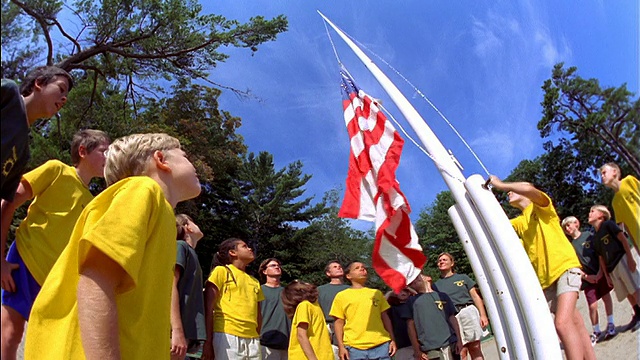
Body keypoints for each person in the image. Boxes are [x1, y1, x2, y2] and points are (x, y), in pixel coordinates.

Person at [23, 133, 202, 359]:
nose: (193, 163)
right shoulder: (143, 191)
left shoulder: (163, 216)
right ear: (161, 159)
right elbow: (96, 280)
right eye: (185, 156)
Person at [1, 129, 109, 360]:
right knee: (9, 336)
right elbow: (8, 200)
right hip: (24, 263)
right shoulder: (56, 169)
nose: (108, 157)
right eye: (103, 150)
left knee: (45, 348)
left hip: (54, 284)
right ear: (82, 151)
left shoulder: (94, 204)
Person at [489, 176, 595, 360]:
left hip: (565, 268)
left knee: (562, 324)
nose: (509, 193)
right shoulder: (521, 222)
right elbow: (495, 224)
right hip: (547, 281)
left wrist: (501, 185)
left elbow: (530, 191)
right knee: (575, 323)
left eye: (515, 188)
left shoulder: (542, 207)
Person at [1, 66, 74, 202]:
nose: (64, 99)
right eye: (61, 89)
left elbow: (5, 197)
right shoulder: (8, 93)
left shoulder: (23, 153)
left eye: (66, 96)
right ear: (39, 83)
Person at [203, 238, 264, 360]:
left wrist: (256, 334)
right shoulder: (221, 271)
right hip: (227, 336)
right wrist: (208, 341)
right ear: (232, 252)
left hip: (253, 339)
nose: (250, 248)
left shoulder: (255, 281)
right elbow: (208, 308)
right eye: (244, 246)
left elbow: (258, 313)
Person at [561, 216, 616, 344]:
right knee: (592, 305)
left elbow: (599, 254)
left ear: (577, 224)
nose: (568, 228)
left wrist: (600, 273)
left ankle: (611, 323)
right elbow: (574, 266)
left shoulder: (588, 236)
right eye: (565, 227)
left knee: (606, 297)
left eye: (569, 225)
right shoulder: (570, 246)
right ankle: (596, 330)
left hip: (600, 272)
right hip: (587, 279)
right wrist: (587, 277)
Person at [587, 205, 640, 332]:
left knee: (635, 288)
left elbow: (623, 239)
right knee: (627, 291)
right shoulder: (595, 237)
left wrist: (630, 258)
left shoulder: (609, 225)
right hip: (611, 268)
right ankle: (637, 313)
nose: (589, 213)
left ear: (601, 215)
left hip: (621, 259)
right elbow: (601, 258)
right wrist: (606, 275)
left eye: (592, 211)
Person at [329, 261, 396, 360]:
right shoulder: (341, 296)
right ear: (348, 276)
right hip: (354, 347)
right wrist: (341, 346)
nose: (362, 269)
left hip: (380, 345)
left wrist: (392, 339)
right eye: (357, 268)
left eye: (363, 267)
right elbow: (339, 322)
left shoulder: (376, 293)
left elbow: (385, 317)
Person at [433, 253, 487, 360]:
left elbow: (475, 297)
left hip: (468, 312)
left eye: (444, 260)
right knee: (461, 351)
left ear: (452, 263)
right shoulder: (435, 285)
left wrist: (483, 315)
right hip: (452, 318)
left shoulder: (463, 278)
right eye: (439, 261)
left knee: (475, 348)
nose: (441, 262)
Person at [171, 214, 207, 360]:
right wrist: (176, 330)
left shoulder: (190, 252)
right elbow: (170, 286)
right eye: (193, 221)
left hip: (182, 333)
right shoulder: (181, 246)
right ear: (188, 227)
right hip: (172, 334)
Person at [404, 275, 462, 360]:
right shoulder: (412, 301)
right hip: (431, 348)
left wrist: (459, 340)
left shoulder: (443, 296)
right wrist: (417, 350)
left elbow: (452, 318)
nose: (415, 280)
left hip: (451, 343)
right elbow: (410, 326)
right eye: (412, 281)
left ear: (428, 278)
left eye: (418, 277)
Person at [281, 280, 333, 360]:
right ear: (299, 291)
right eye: (302, 283)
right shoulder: (304, 306)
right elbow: (301, 335)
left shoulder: (314, 305)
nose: (308, 283)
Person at [600, 163, 639, 251]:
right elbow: (626, 227)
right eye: (601, 175)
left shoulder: (629, 181)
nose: (602, 176)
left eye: (604, 173)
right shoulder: (615, 202)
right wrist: (637, 248)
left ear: (614, 172)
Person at [258, 258, 291, 359]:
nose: (277, 267)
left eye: (278, 265)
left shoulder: (289, 292)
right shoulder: (258, 290)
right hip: (266, 343)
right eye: (273, 265)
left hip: (288, 344)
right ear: (264, 271)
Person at [317, 260, 349, 359]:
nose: (339, 268)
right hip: (326, 327)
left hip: (346, 327)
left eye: (340, 266)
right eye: (335, 267)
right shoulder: (320, 290)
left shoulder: (351, 289)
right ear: (328, 273)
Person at [385, 287, 416, 360]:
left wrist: (408, 287)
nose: (403, 293)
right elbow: (381, 305)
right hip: (401, 345)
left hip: (416, 344)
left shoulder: (414, 304)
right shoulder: (392, 308)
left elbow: (420, 296)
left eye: (405, 291)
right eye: (399, 291)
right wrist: (390, 293)